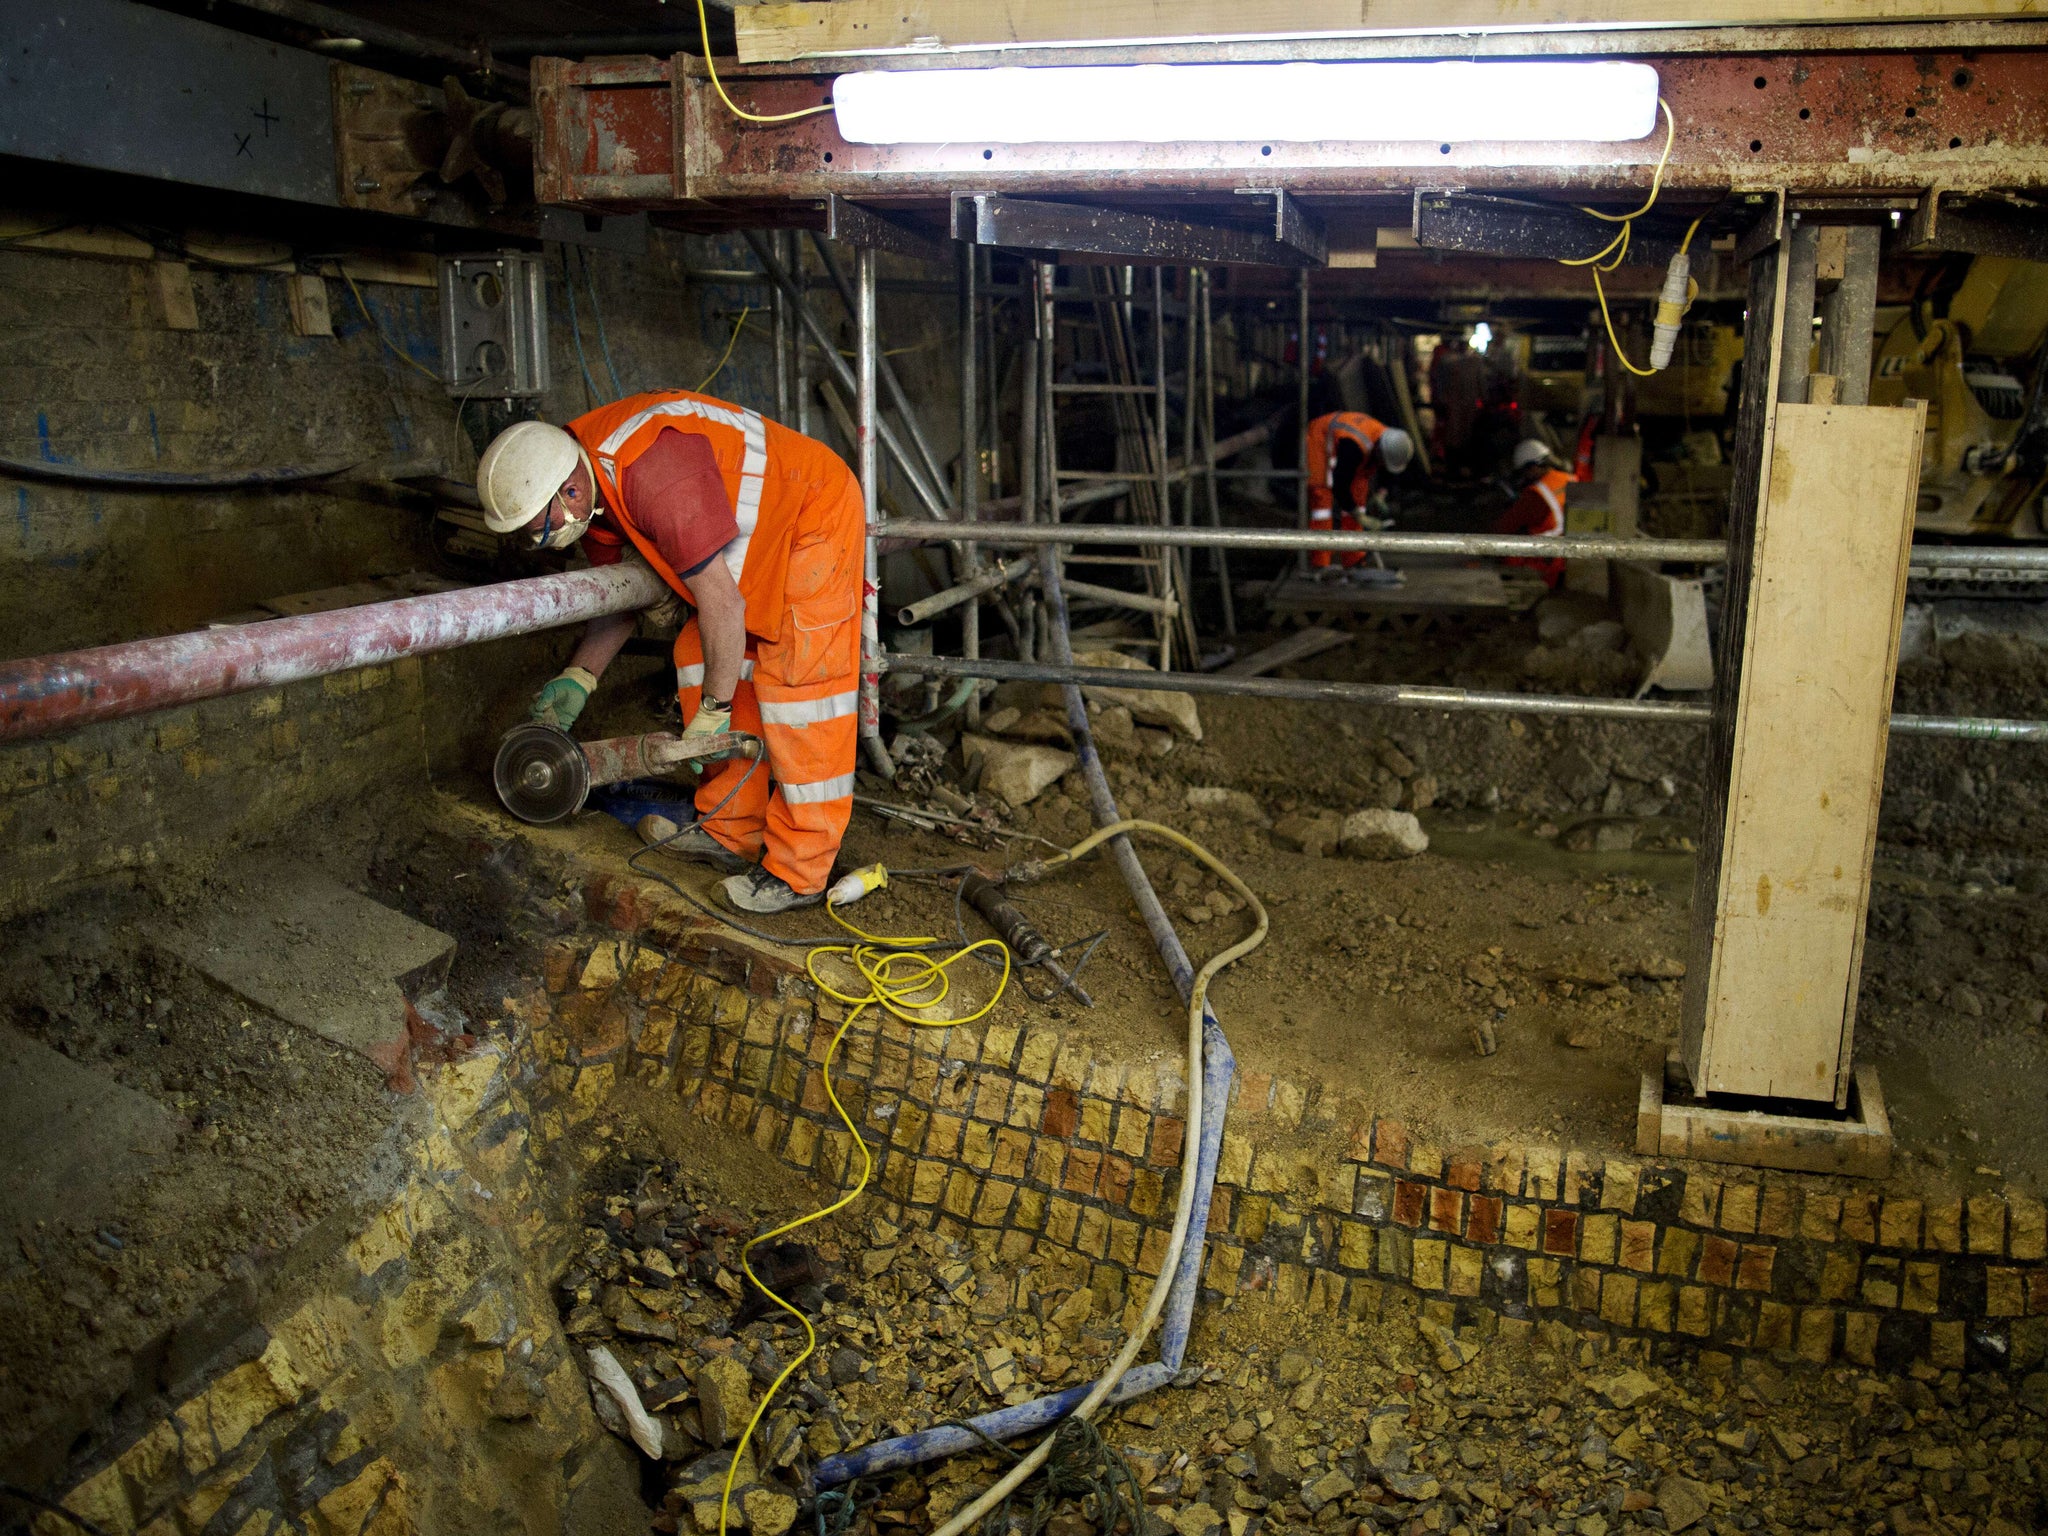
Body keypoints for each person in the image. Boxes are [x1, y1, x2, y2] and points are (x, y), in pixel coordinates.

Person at [475, 391, 863, 915]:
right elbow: (617, 604)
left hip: (813, 512)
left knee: (801, 685)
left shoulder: (651, 473)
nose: (544, 542)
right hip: (763, 539)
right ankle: (731, 831)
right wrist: (579, 677)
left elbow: (722, 602)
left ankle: (801, 871)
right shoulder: (593, 493)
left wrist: (715, 712)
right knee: (698, 655)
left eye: (539, 529)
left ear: (567, 490)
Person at [1304, 411, 1413, 574]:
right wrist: (1359, 516)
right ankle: (1320, 563)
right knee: (1322, 504)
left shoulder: (1386, 441)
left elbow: (1385, 469)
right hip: (1319, 439)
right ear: (1380, 451)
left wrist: (1380, 495)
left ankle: (1353, 558)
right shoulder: (1354, 447)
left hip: (1347, 446)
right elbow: (1340, 485)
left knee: (1358, 498)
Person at [1493, 438, 1574, 588]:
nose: (1525, 477)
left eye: (1525, 472)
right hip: (1573, 560)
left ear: (1533, 467)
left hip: (1548, 565)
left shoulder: (1536, 494)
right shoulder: (1572, 479)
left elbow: (1504, 527)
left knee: (1508, 554)